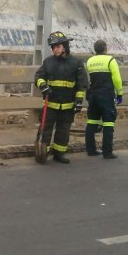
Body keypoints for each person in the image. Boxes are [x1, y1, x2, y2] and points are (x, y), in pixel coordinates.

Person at [34, 31, 88, 164]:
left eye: (57, 46)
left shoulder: (76, 63)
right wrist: (43, 86)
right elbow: (38, 77)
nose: (55, 49)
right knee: (45, 130)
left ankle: (59, 154)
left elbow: (82, 84)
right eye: (53, 47)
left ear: (64, 46)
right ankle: (42, 153)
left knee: (63, 131)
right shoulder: (48, 62)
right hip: (50, 104)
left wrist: (79, 102)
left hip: (68, 105)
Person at [85, 39, 124, 159]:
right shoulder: (110, 60)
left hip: (93, 96)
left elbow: (88, 79)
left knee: (92, 121)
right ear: (105, 49)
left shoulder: (89, 61)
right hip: (106, 96)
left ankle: (91, 150)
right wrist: (120, 93)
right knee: (108, 123)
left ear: (95, 49)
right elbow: (116, 79)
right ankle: (107, 152)